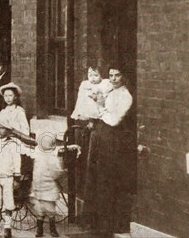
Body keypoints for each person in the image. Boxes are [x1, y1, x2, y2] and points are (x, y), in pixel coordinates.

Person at [82, 65, 134, 236]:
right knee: (96, 178)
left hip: (112, 140)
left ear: (123, 76)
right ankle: (96, 224)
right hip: (101, 137)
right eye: (111, 75)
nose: (113, 79)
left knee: (107, 179)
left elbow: (114, 120)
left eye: (117, 75)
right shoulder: (109, 91)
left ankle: (109, 225)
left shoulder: (125, 96)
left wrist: (100, 108)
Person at [71, 65, 112, 194]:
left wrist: (93, 120)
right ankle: (80, 186)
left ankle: (91, 188)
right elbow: (80, 104)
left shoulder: (105, 86)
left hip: (97, 122)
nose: (92, 78)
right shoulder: (85, 86)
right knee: (80, 153)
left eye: (96, 75)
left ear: (101, 75)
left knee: (92, 156)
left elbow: (103, 106)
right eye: (90, 75)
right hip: (83, 122)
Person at [30, 134, 80, 237]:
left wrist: (71, 146)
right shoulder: (45, 155)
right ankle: (45, 229)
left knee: (45, 208)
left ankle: (46, 229)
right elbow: (56, 171)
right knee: (44, 208)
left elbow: (55, 169)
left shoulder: (45, 155)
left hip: (44, 185)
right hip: (42, 184)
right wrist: (61, 172)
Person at [0, 82, 32, 187]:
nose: (8, 98)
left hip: (16, 140)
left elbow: (25, 129)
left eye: (10, 95)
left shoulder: (19, 111)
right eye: (6, 96)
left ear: (15, 97)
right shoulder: (3, 111)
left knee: (16, 163)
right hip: (4, 141)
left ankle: (18, 187)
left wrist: (16, 135)